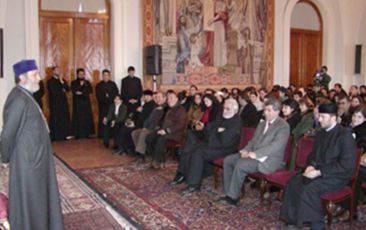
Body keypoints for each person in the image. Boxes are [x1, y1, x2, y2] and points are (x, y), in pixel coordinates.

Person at [0, 59, 63, 230]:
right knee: (30, 200)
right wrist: (4, 158)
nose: (39, 78)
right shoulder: (18, 99)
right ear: (22, 77)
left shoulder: (26, 96)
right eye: (35, 74)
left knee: (39, 199)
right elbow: (7, 133)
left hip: (35, 160)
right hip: (28, 162)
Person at [280, 103, 357, 230]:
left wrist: (320, 172)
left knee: (310, 188)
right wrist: (310, 166)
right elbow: (313, 155)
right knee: (293, 182)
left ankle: (317, 226)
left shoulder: (345, 136)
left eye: (322, 117)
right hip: (318, 171)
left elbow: (346, 165)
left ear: (333, 118)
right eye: (318, 116)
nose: (319, 119)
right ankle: (293, 219)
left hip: (337, 176)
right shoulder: (321, 133)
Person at [219, 98, 290, 206]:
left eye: (269, 110)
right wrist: (246, 150)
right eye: (265, 110)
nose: (265, 113)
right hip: (254, 155)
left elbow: (275, 146)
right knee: (228, 160)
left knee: (241, 164)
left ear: (277, 111)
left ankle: (233, 198)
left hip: (269, 160)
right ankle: (230, 192)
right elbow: (253, 141)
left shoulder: (283, 126)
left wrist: (255, 154)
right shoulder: (262, 124)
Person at [171, 98, 242, 195]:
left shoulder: (237, 122)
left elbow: (226, 140)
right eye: (224, 108)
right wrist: (218, 130)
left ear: (235, 110)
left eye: (228, 109)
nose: (225, 111)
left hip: (226, 149)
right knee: (191, 147)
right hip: (214, 144)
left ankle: (193, 185)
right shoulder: (221, 117)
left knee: (198, 152)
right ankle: (184, 174)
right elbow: (210, 127)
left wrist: (215, 131)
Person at [146, 92, 187, 169]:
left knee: (160, 139)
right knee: (149, 138)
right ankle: (158, 158)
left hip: (176, 134)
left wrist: (166, 130)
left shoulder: (181, 110)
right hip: (165, 131)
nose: (169, 100)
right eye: (168, 98)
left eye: (171, 98)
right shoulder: (169, 109)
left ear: (176, 99)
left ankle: (157, 161)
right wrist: (160, 128)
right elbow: (163, 121)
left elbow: (180, 125)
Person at [114, 90, 156, 155]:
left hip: (143, 126)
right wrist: (131, 120)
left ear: (151, 97)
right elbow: (137, 114)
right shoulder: (145, 104)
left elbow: (146, 119)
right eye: (145, 96)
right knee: (123, 127)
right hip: (137, 123)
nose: (146, 97)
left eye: (148, 96)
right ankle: (122, 148)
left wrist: (134, 124)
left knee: (125, 130)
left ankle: (123, 149)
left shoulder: (152, 105)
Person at [131, 91, 166, 157]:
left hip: (157, 128)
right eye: (156, 97)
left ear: (164, 98)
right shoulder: (155, 106)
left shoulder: (165, 108)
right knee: (134, 133)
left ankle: (141, 155)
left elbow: (162, 121)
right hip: (149, 127)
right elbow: (148, 118)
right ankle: (143, 151)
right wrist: (145, 126)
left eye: (159, 97)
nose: (157, 99)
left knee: (143, 133)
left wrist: (149, 128)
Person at [47, 66, 72, 141]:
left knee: (63, 118)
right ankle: (55, 136)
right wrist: (62, 91)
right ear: (53, 71)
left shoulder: (62, 80)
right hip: (54, 103)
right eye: (56, 70)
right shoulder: (50, 81)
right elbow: (53, 91)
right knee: (55, 118)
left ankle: (64, 135)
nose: (58, 71)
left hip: (63, 103)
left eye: (59, 70)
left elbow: (67, 89)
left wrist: (62, 82)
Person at [71, 68, 95, 139]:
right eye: (80, 74)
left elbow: (90, 90)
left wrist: (81, 92)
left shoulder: (87, 82)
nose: (81, 75)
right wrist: (81, 87)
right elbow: (75, 91)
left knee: (86, 118)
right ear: (77, 75)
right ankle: (77, 134)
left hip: (85, 103)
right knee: (78, 118)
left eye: (83, 74)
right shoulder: (74, 82)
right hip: (77, 103)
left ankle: (87, 133)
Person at [96, 69, 119, 138]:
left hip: (111, 105)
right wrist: (105, 97)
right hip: (102, 105)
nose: (105, 77)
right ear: (102, 76)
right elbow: (98, 95)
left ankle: (111, 134)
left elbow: (116, 94)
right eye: (104, 75)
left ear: (109, 76)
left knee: (111, 119)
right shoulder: (99, 85)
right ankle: (102, 134)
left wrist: (109, 97)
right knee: (103, 120)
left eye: (107, 75)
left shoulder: (113, 84)